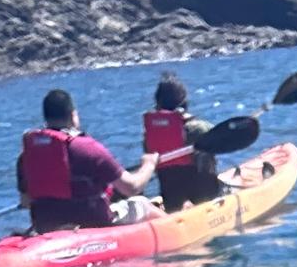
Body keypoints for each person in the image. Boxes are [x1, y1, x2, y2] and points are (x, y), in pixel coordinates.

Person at [16, 89, 161, 234]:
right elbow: (132, 188)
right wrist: (149, 164)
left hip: (47, 226)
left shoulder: (27, 155)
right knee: (141, 204)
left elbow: (26, 202)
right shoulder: (86, 147)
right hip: (92, 225)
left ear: (46, 119)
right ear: (72, 116)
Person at [144, 72, 224, 214]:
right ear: (184, 102)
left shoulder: (149, 135)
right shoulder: (198, 128)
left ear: (158, 103)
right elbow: (222, 140)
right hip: (204, 196)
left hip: (171, 198)